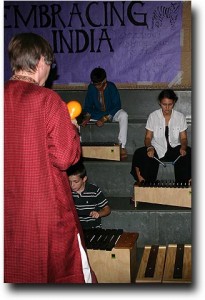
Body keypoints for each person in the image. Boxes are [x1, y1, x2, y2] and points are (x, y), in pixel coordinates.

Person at [4, 32, 97, 283]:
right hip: (44, 214)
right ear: (42, 60)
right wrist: (72, 131)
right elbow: (65, 158)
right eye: (50, 64)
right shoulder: (47, 99)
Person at [130, 89, 191, 184]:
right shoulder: (153, 116)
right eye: (164, 104)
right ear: (159, 102)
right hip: (157, 148)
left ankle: (185, 185)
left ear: (174, 102)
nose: (167, 107)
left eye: (170, 104)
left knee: (190, 153)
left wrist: (183, 147)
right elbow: (148, 138)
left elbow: (183, 138)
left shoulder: (180, 117)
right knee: (139, 153)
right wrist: (149, 148)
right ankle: (143, 184)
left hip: (175, 148)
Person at [81, 67, 128, 159]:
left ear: (105, 81)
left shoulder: (111, 87)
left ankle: (122, 146)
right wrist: (87, 117)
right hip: (97, 114)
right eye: (95, 84)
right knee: (76, 118)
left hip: (111, 113)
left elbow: (117, 105)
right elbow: (88, 106)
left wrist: (104, 118)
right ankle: (76, 148)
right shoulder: (91, 88)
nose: (97, 87)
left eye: (99, 84)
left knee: (124, 115)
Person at [67, 161, 111, 230]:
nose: (72, 185)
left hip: (93, 228)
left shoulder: (94, 190)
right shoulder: (67, 191)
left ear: (84, 179)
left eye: (76, 182)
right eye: (69, 181)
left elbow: (107, 209)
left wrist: (98, 213)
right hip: (76, 229)